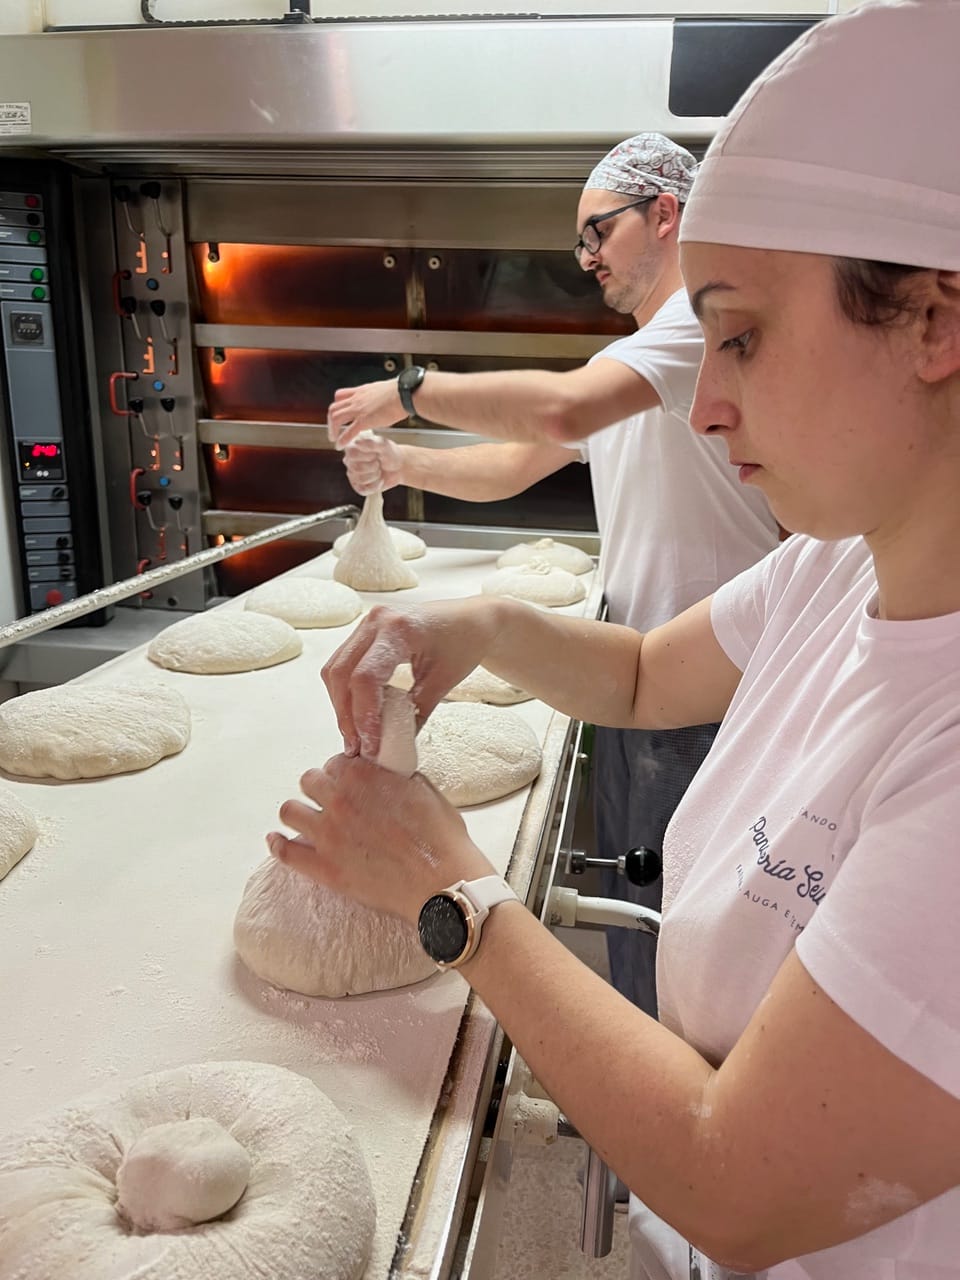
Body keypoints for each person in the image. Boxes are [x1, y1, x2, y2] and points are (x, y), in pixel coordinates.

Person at [270, 1, 960, 1275]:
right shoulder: (830, 568)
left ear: (934, 319)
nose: (705, 407)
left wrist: (452, 892)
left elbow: (739, 1176)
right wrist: (475, 618)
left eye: (742, 335)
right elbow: (644, 671)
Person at [328, 134, 781, 1017]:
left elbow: (561, 403)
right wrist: (404, 466)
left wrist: (410, 389)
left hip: (712, 687)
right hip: (634, 666)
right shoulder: (643, 359)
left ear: (665, 215)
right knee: (635, 902)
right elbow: (515, 462)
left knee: (676, 933)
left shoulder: (697, 326)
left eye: (596, 233)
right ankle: (639, 1086)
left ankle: (667, 1108)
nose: (586, 261)